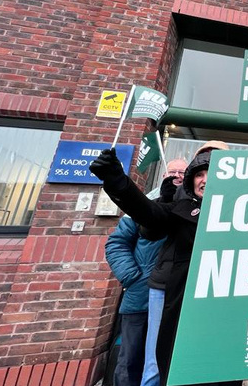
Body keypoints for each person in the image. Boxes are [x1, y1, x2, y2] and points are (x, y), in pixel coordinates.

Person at [91, 148, 217, 386]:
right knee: (158, 365)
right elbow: (149, 216)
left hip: (213, 302)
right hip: (172, 294)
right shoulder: (179, 208)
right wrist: (118, 182)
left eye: (212, 173)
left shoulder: (242, 212)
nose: (205, 179)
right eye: (199, 174)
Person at [141, 142, 227, 386]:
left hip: (208, 288)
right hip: (168, 284)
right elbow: (147, 230)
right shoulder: (177, 194)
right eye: (200, 166)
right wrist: (165, 197)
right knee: (157, 362)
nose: (205, 176)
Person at [105, 159, 186, 386]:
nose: (177, 175)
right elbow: (116, 243)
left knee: (161, 364)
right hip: (140, 298)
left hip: (173, 299)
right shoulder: (143, 204)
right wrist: (133, 277)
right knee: (130, 360)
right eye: (173, 171)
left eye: (182, 172)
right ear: (163, 176)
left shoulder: (191, 206)